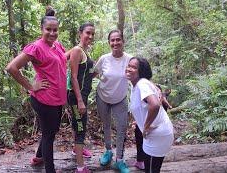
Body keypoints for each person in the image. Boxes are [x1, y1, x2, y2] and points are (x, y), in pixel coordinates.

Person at [5, 7, 66, 173]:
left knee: (50, 131)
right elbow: (12, 68)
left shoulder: (57, 45)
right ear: (41, 29)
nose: (52, 33)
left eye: (55, 30)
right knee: (49, 135)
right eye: (48, 29)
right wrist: (31, 86)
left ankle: (38, 158)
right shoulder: (36, 48)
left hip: (57, 98)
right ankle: (50, 170)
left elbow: (59, 64)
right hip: (44, 99)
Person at [126, 57, 174, 173]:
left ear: (141, 71)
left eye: (134, 67)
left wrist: (146, 126)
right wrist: (140, 120)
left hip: (157, 135)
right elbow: (145, 105)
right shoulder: (138, 84)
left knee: (152, 170)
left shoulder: (142, 84)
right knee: (151, 169)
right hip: (154, 134)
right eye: (129, 65)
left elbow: (155, 105)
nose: (129, 69)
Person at [94, 30, 131, 173]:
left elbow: (138, 76)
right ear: (109, 42)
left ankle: (119, 160)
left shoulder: (129, 59)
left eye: (118, 39)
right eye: (112, 40)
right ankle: (108, 151)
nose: (115, 43)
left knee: (121, 128)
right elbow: (93, 73)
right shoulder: (104, 58)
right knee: (106, 125)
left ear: (123, 41)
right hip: (102, 96)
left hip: (120, 99)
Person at [67, 22, 95, 173]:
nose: (90, 36)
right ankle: (80, 166)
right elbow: (74, 77)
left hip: (81, 96)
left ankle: (75, 150)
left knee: (77, 124)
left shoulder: (84, 51)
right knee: (80, 127)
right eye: (87, 33)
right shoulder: (77, 50)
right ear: (80, 33)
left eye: (92, 34)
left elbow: (87, 73)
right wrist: (79, 101)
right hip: (77, 97)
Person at [133, 85, 172, 170]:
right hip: (156, 137)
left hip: (156, 138)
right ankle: (140, 160)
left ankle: (141, 160)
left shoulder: (159, 104)